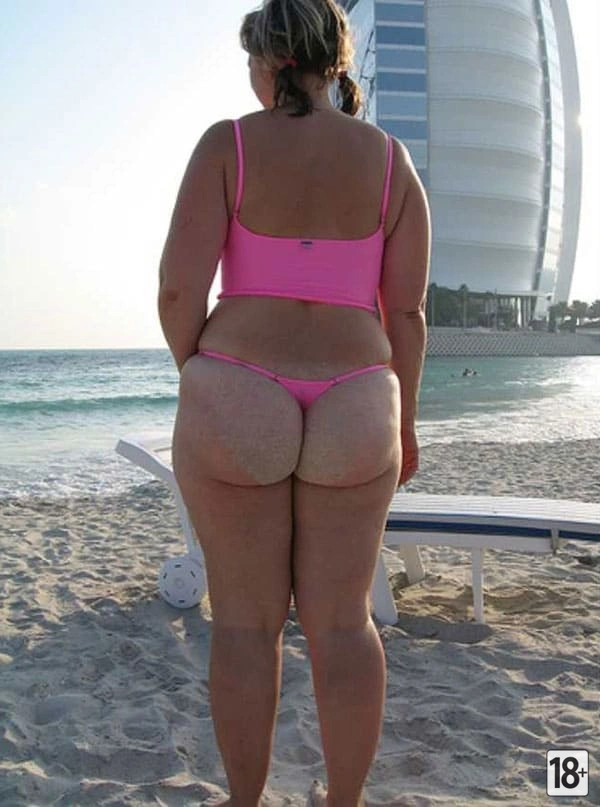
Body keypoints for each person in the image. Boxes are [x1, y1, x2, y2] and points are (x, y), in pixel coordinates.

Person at [158, 1, 430, 804]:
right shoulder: (391, 163)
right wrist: (406, 420)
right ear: (332, 63)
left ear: (272, 63)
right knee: (344, 623)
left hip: (238, 380)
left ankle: (246, 800)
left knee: (245, 623)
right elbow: (408, 315)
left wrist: (205, 374)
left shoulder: (229, 144)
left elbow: (177, 291)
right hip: (357, 396)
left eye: (252, 62)